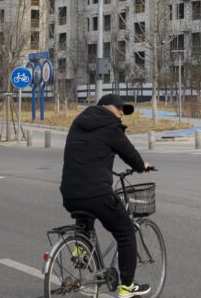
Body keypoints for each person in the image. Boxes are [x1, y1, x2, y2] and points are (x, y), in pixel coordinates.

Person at [60, 94, 153, 297]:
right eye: (119, 109)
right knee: (126, 232)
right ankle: (127, 287)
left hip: (70, 192)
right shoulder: (110, 125)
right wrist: (141, 166)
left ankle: (81, 251)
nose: (121, 114)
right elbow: (129, 153)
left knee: (86, 215)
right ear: (108, 107)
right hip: (96, 193)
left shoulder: (79, 122)